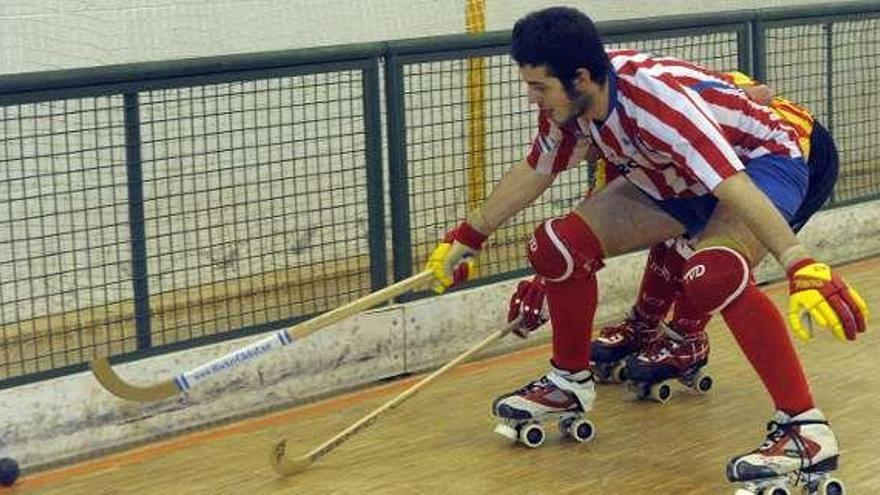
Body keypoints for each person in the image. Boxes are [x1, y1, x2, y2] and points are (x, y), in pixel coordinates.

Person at [424, 6, 867, 492]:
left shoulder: (656, 106)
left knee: (712, 273)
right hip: (679, 176)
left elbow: (732, 185)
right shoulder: (573, 108)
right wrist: (468, 237)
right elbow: (537, 170)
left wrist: (800, 262)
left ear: (582, 78)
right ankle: (568, 382)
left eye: (539, 87)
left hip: (765, 162)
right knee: (557, 247)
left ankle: (804, 429)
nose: (533, 99)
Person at [510, 73, 842, 399]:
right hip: (730, 159)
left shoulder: (649, 116)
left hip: (799, 154)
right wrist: (548, 277)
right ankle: (644, 324)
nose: (574, 148)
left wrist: (797, 260)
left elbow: (760, 96)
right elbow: (599, 208)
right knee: (666, 227)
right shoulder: (609, 132)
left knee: (708, 255)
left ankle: (687, 336)